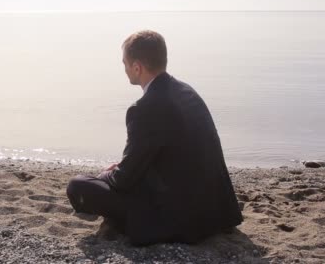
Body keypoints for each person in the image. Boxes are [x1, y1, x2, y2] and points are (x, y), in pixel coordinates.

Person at [66, 30, 243, 246]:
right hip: (218, 210)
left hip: (182, 218)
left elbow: (124, 180)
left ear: (137, 67)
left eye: (125, 64)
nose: (124, 69)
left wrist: (106, 175)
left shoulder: (144, 109)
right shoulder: (188, 92)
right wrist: (124, 167)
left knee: (78, 185)